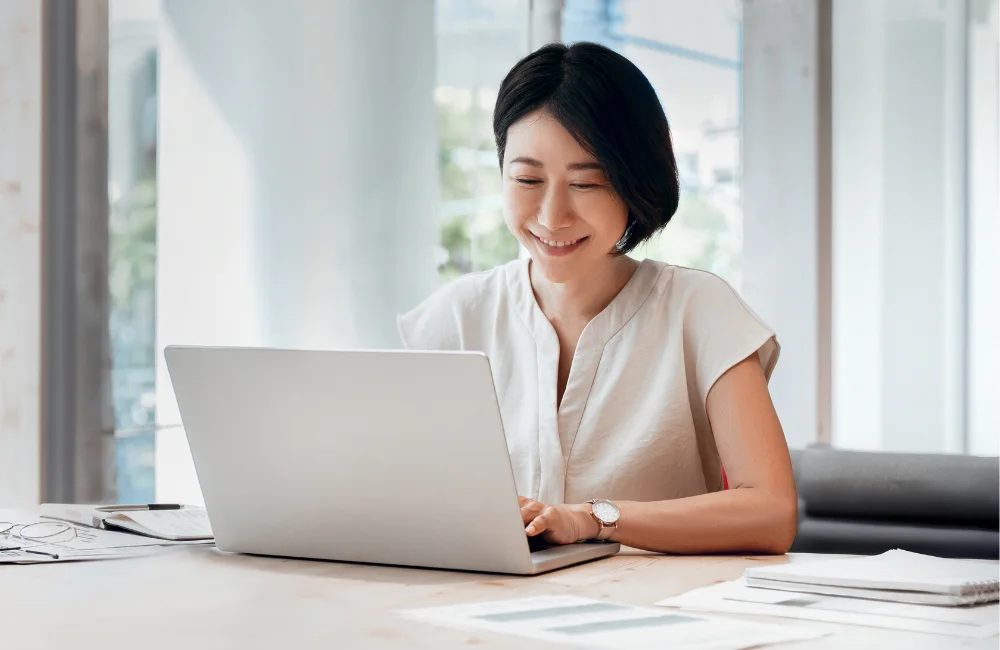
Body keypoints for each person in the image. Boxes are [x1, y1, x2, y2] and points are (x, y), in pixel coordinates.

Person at [398, 42, 797, 554]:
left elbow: (770, 512)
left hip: (658, 618)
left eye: (586, 183)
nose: (552, 215)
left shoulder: (700, 312)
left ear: (636, 185)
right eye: (527, 179)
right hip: (487, 615)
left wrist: (594, 519)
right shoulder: (453, 318)